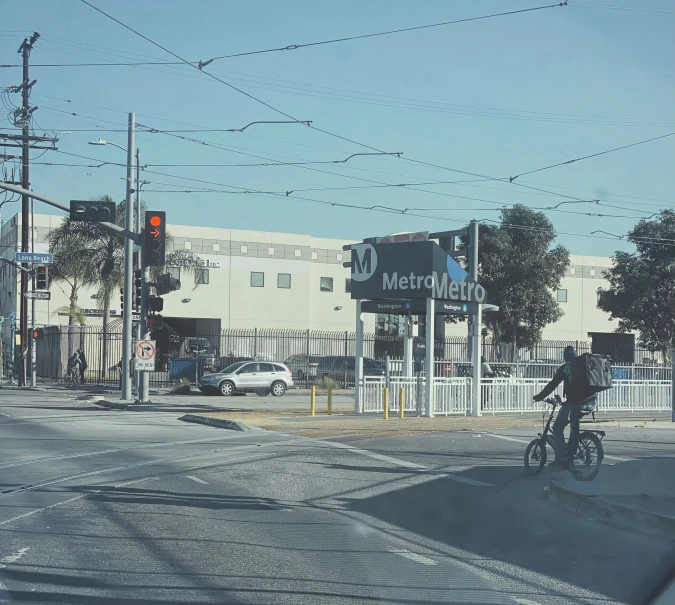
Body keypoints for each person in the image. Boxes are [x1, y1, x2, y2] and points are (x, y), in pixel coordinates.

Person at [533, 346, 597, 467]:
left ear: (565, 357)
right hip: (590, 403)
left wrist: (540, 396)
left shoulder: (566, 367)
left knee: (557, 428)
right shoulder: (586, 365)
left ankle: (561, 459)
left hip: (575, 403)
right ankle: (572, 453)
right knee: (574, 427)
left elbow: (553, 384)